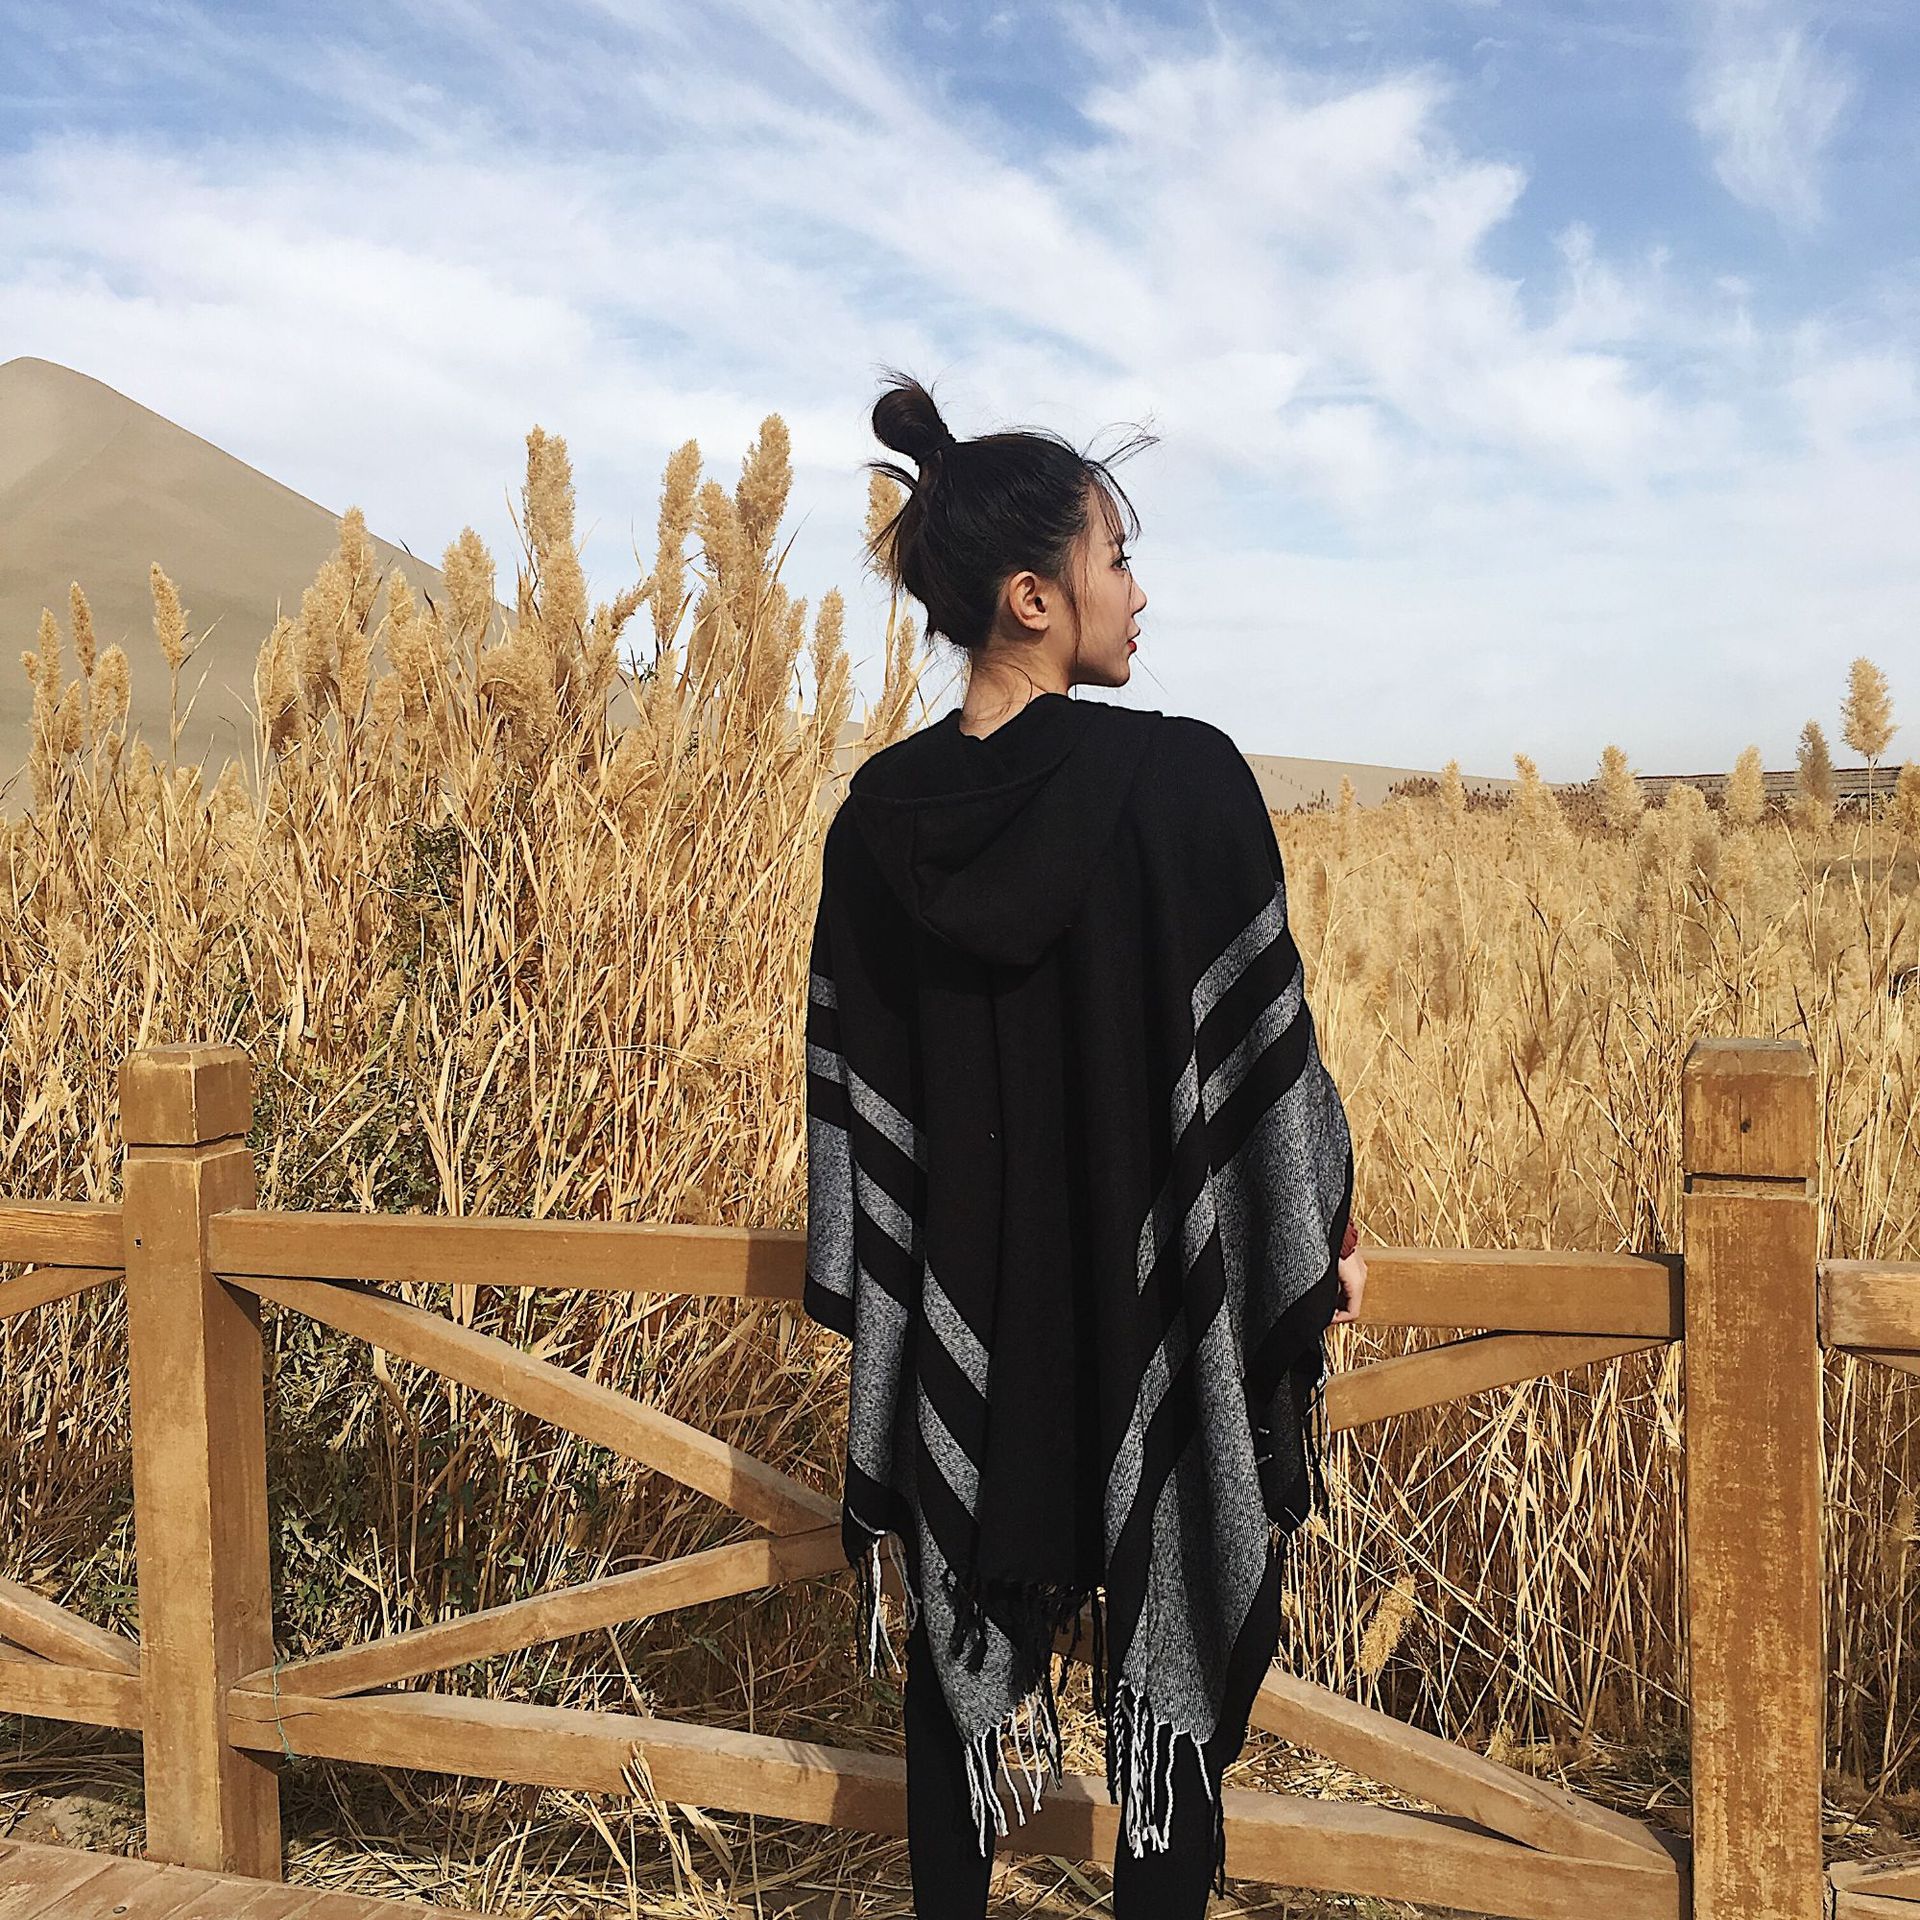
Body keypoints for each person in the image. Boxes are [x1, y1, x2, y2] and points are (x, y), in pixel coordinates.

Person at [803, 370, 1366, 1918]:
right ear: (1035, 598)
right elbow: (1276, 1090)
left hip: (967, 1333)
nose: (1140, 593)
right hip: (1148, 1320)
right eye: (1119, 558)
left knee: (953, 1631)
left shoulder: (875, 823)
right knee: (1171, 1620)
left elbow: (851, 1117)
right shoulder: (1183, 785)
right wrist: (1318, 1227)